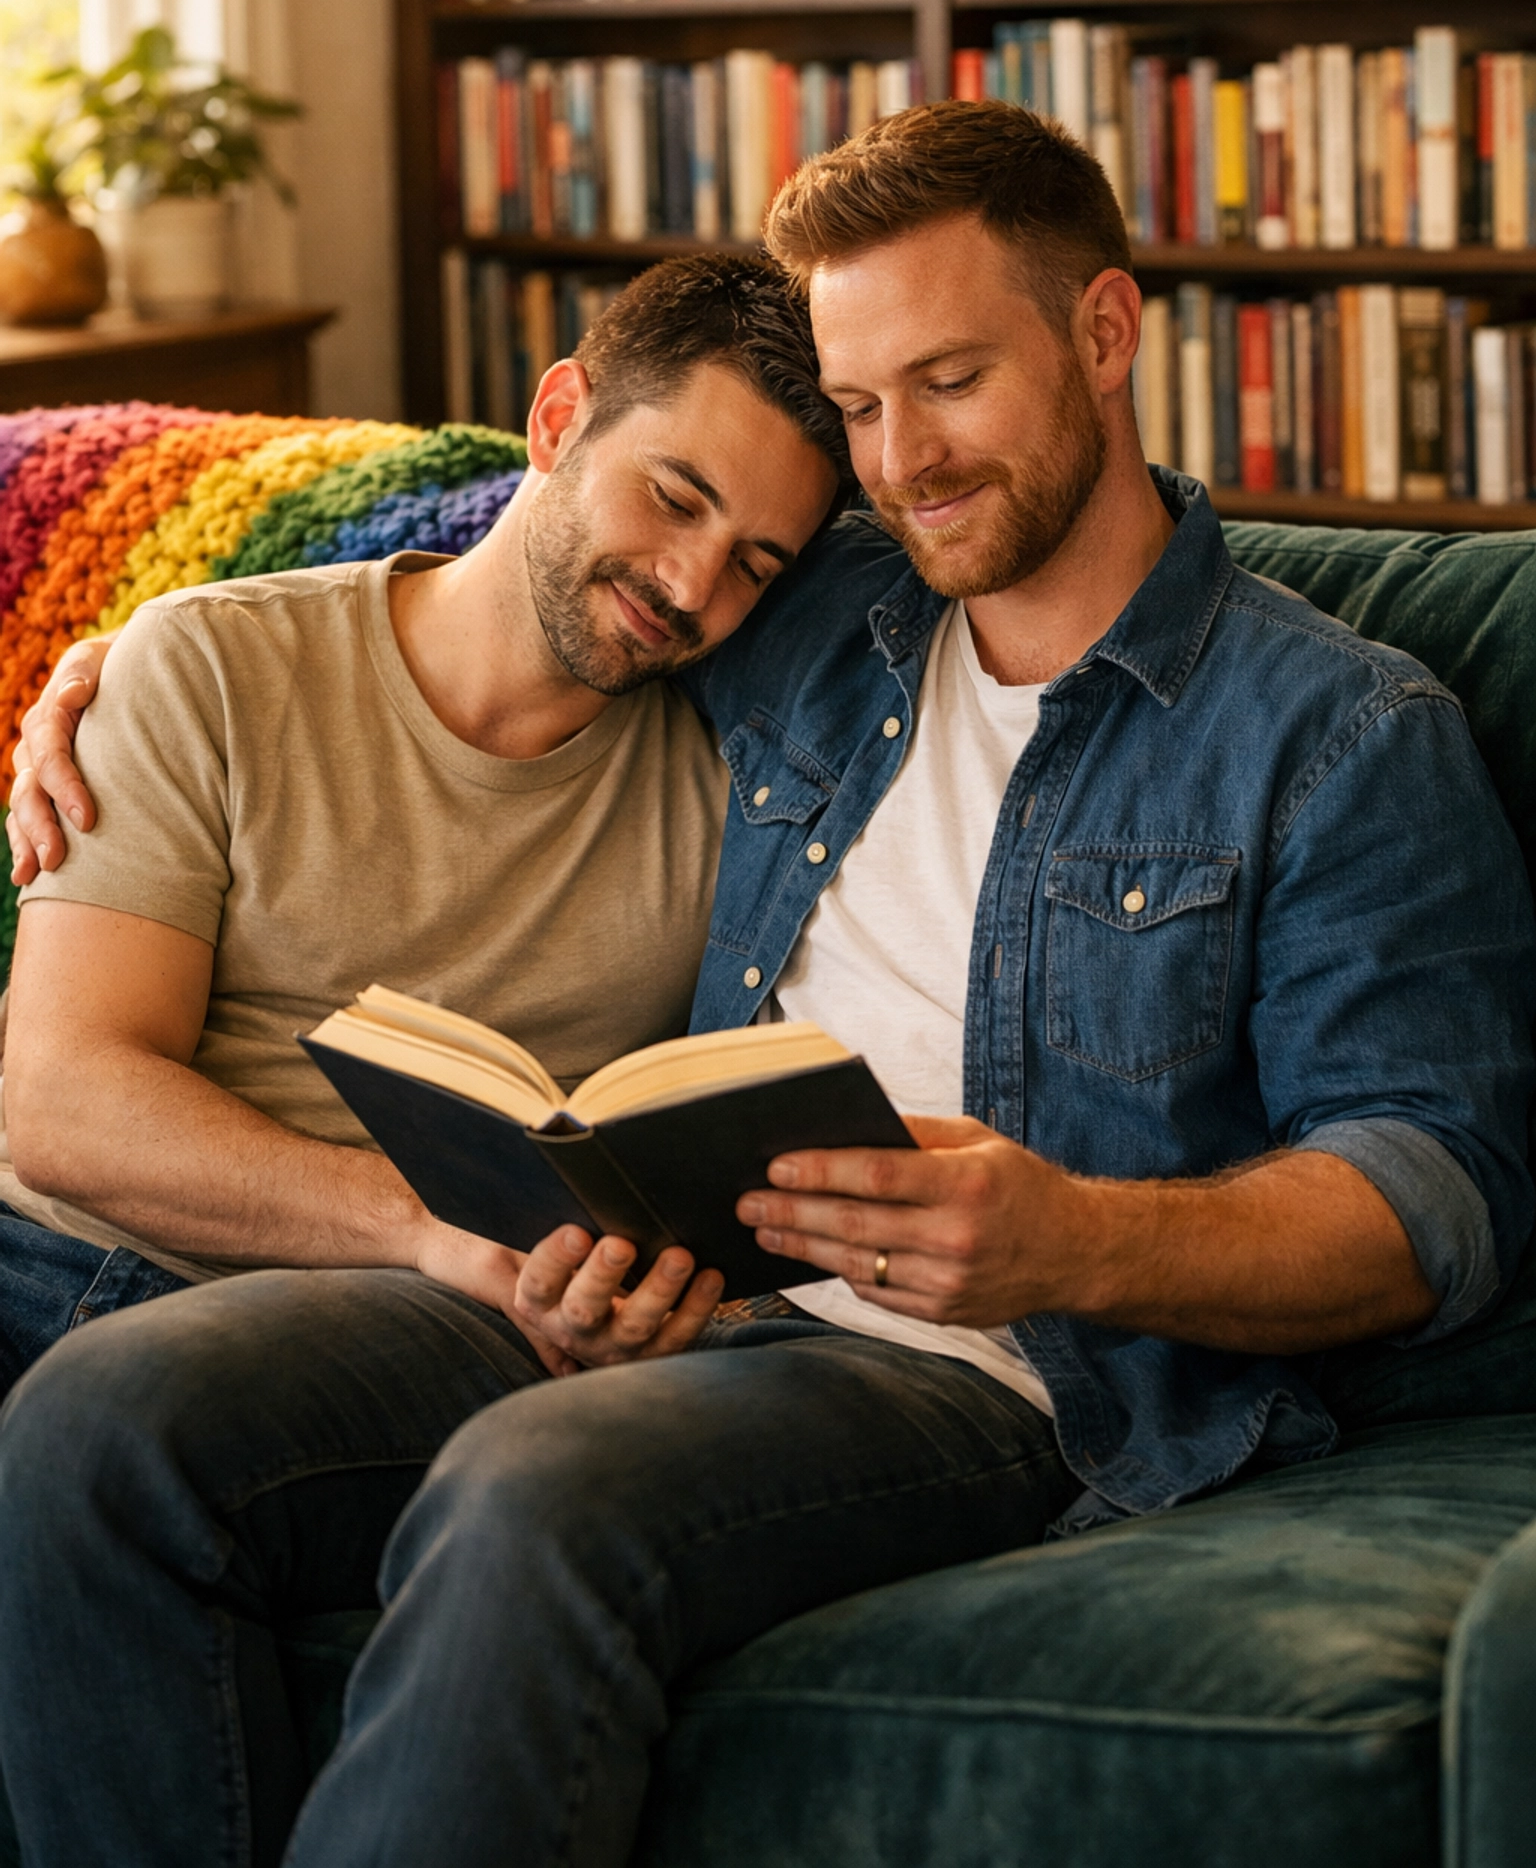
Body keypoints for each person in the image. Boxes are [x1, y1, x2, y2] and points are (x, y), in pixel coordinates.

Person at [0, 100, 1530, 1868]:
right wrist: (130, 660)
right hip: (650, 1286)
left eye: (948, 380)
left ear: (1104, 332)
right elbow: (531, 538)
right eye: (864, 405)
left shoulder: (1338, 734)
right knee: (105, 1430)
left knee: (536, 1493)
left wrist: (1073, 1239)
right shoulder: (820, 604)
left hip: (974, 1367)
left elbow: (1438, 1189)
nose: (904, 461)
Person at [0, 251, 845, 1397]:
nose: (693, 586)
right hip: (51, 1259)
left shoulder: (735, 802)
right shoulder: (207, 662)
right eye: (674, 497)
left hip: (368, 1339)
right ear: (558, 419)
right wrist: (423, 1227)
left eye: (754, 562)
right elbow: (59, 1107)